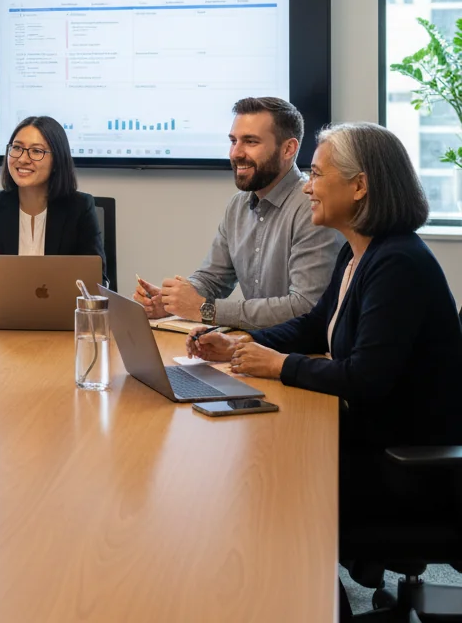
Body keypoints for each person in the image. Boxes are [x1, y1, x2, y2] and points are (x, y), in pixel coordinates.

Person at [189, 122, 462, 528]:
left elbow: (365, 377)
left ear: (359, 186)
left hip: (401, 463)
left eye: (316, 174)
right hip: (367, 435)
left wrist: (278, 365)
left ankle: (311, 589)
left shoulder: (398, 264)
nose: (306, 187)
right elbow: (314, 326)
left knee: (257, 479)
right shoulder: (360, 253)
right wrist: (238, 345)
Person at [134, 96, 341, 329]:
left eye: (250, 142)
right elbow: (213, 278)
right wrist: (173, 301)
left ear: (288, 149)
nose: (236, 153)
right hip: (255, 346)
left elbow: (305, 307)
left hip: (301, 354)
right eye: (233, 141)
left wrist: (205, 310)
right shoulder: (238, 205)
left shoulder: (313, 208)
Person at [0, 115, 108, 303]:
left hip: (61, 322)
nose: (23, 159)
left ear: (57, 160)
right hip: (4, 318)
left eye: (36, 151)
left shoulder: (80, 207)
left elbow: (97, 281)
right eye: (17, 148)